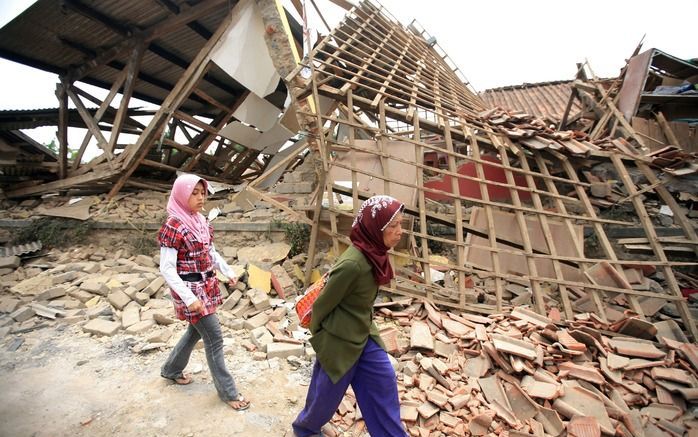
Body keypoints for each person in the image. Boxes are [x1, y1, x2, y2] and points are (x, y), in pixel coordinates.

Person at [293, 195, 408, 437]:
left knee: (384, 382)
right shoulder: (353, 264)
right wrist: (324, 339)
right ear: (376, 228)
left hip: (363, 334)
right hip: (339, 340)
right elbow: (323, 305)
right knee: (326, 395)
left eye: (401, 224)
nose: (401, 231)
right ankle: (305, 429)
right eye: (394, 225)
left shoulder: (376, 254)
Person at [157, 174, 249, 411]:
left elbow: (210, 253)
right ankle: (228, 392)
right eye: (194, 193)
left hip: (206, 286)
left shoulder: (200, 221)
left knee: (195, 332)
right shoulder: (173, 226)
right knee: (215, 338)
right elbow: (166, 268)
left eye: (203, 193)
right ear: (180, 195)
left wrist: (227, 271)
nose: (200, 198)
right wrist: (189, 300)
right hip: (189, 291)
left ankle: (171, 369)